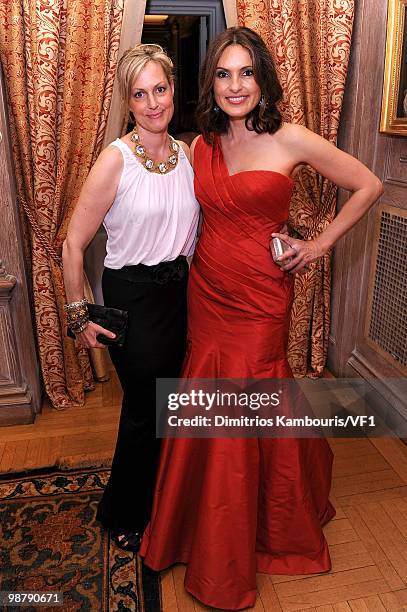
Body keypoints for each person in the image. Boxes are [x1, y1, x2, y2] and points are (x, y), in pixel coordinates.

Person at [139, 27, 383, 610]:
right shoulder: (201, 146)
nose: (235, 85)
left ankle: (262, 532)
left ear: (264, 78)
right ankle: (203, 521)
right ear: (210, 84)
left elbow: (368, 184)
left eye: (246, 72)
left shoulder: (291, 138)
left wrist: (318, 245)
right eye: (223, 74)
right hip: (209, 292)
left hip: (262, 297)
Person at [62, 44, 199, 552]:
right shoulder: (114, 160)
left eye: (159, 89)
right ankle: (127, 511)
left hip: (180, 297)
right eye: (139, 94)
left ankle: (168, 501)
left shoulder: (188, 156)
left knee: (173, 407)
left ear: (171, 90)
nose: (152, 102)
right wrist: (80, 317)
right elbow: (73, 244)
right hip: (133, 304)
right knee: (146, 407)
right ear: (128, 101)